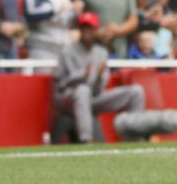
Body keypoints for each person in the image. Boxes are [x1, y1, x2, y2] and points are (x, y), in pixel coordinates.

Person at [54, 12, 146, 143]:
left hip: (94, 97)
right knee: (82, 90)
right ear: (80, 30)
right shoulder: (67, 51)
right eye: (84, 28)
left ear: (96, 30)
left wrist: (98, 77)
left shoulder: (101, 52)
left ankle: (134, 137)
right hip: (69, 99)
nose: (87, 32)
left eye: (90, 28)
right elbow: (60, 85)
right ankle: (86, 139)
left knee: (136, 91)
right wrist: (82, 75)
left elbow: (99, 89)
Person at [24, 0, 80, 66]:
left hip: (64, 46)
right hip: (43, 47)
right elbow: (33, 13)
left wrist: (77, 13)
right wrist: (57, 8)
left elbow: (68, 19)